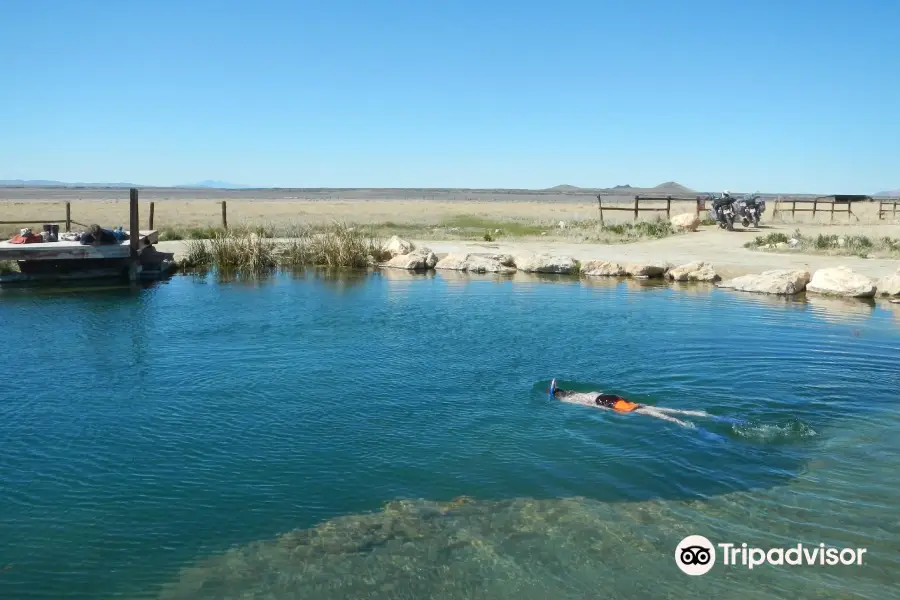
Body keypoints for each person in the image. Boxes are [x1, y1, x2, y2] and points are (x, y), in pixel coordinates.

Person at [549, 379, 699, 428]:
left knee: (660, 415)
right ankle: (702, 415)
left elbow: (593, 406)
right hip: (616, 399)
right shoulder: (579, 394)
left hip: (616, 404)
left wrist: (609, 411)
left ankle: (688, 425)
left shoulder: (573, 400)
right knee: (657, 409)